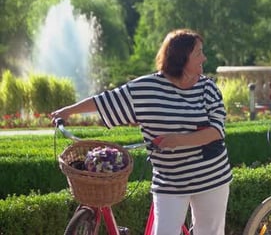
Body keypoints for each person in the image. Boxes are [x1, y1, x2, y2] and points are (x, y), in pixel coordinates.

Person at [50, 29, 232, 235]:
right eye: (199, 53)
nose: (204, 58)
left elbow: (217, 130)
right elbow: (107, 100)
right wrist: (68, 111)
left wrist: (178, 140)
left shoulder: (208, 88)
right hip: (170, 180)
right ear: (181, 58)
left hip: (211, 177)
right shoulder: (146, 88)